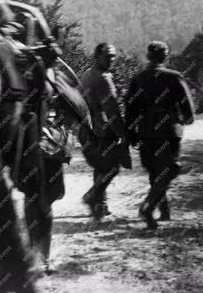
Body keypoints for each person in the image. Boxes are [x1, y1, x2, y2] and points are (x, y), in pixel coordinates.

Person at [125, 41, 195, 229]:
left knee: (155, 170)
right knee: (170, 169)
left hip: (146, 130)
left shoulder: (137, 79)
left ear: (148, 56)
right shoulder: (174, 77)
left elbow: (129, 109)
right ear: (165, 56)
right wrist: (187, 118)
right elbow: (186, 106)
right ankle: (149, 206)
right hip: (168, 130)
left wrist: (131, 134)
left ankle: (163, 210)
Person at [80, 43, 132, 220]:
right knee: (112, 167)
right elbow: (111, 110)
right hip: (102, 129)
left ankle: (99, 205)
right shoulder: (103, 78)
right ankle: (92, 196)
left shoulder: (86, 74)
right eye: (107, 56)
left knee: (100, 166)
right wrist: (123, 135)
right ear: (96, 57)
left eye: (113, 56)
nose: (111, 59)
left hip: (86, 128)